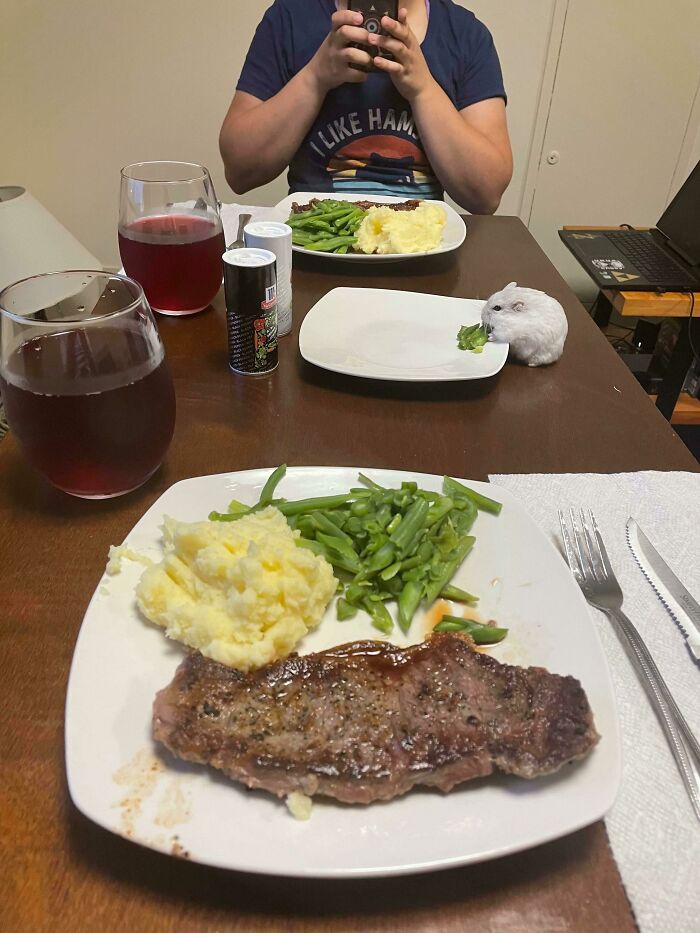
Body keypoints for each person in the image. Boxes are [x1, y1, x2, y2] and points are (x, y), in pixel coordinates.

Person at [220, 0, 512, 213]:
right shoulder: (288, 18)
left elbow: (486, 194)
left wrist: (423, 89)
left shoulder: (467, 35)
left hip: (420, 250)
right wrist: (314, 78)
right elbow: (239, 170)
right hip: (314, 246)